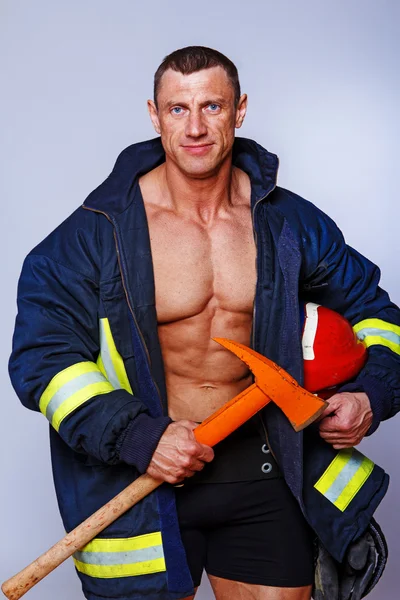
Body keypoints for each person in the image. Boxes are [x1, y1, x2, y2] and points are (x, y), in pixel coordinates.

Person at [9, 46, 400, 600]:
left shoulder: (288, 224)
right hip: (147, 479)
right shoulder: (93, 236)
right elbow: (42, 362)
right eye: (177, 109)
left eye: (212, 107)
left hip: (266, 475)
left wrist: (370, 394)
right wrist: (140, 435)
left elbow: (380, 318)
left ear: (239, 111)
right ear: (153, 114)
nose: (194, 127)